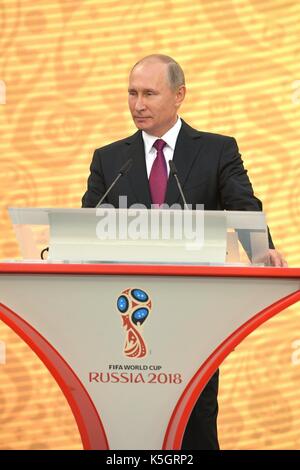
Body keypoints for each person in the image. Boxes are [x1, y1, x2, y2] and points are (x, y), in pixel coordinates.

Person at [82, 54, 287, 449]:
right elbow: (88, 224)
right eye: (132, 93)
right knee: (129, 415)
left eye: (149, 93)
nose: (138, 104)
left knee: (195, 412)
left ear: (179, 95)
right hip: (126, 313)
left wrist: (262, 250)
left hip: (195, 310)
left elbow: (242, 205)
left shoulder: (216, 151)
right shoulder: (110, 158)